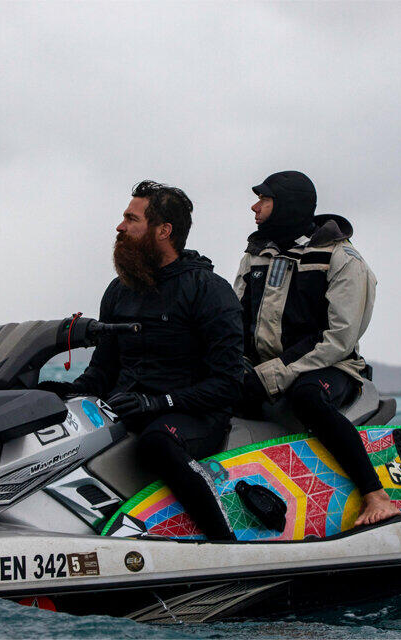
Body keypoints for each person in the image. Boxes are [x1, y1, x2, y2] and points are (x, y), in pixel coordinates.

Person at [38, 180, 243, 540]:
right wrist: (58, 392)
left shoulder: (209, 290)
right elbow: (102, 372)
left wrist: (158, 402)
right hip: (131, 410)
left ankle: (226, 545)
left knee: (156, 442)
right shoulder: (119, 290)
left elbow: (227, 383)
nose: (120, 227)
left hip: (194, 415)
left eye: (131, 219)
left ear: (163, 231)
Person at [232, 170, 399, 526]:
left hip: (331, 367)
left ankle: (375, 494)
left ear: (287, 204)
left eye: (264, 200)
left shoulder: (343, 259)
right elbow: (235, 320)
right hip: (264, 368)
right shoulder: (256, 255)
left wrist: (273, 374)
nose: (255, 207)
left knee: (306, 397)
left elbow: (339, 339)